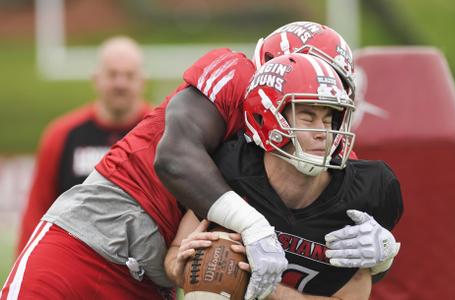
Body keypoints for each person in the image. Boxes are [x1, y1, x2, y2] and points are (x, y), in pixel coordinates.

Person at [2, 22, 397, 300]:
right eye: (310, 97)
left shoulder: (316, 147)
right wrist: (253, 225)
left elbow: (320, 234)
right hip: (93, 236)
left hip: (157, 278)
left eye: (329, 103)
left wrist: (382, 253)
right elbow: (174, 158)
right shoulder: (235, 74)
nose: (321, 111)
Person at [164, 53, 403, 299]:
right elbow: (174, 255)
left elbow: (354, 295)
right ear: (266, 118)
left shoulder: (364, 193)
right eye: (308, 118)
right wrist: (181, 269)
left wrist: (269, 293)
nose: (323, 132)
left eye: (329, 119)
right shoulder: (231, 169)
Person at [16, 36, 151, 255]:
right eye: (112, 74)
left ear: (142, 81)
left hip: (141, 269)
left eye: (129, 75)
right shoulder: (62, 134)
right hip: (73, 264)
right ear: (96, 79)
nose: (120, 83)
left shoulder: (162, 133)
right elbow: (38, 206)